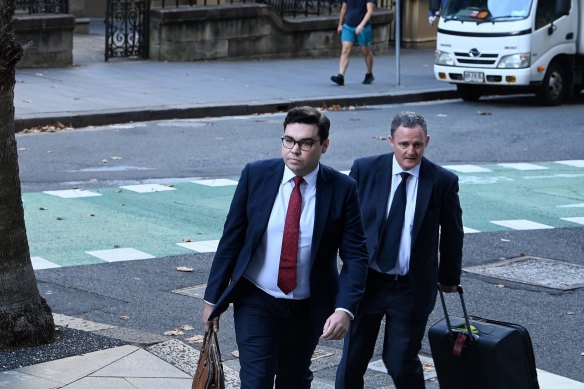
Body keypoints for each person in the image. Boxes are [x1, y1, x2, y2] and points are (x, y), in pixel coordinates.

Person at [202, 106, 369, 389]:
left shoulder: (342, 189)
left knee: (294, 379)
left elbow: (355, 255)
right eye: (288, 140)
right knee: (256, 381)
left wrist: (344, 309)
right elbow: (232, 239)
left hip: (308, 306)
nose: (295, 150)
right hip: (257, 298)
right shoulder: (256, 175)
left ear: (324, 145)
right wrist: (211, 300)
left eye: (305, 143)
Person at [336, 111, 464, 389]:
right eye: (404, 144)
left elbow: (453, 232)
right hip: (367, 282)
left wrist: (449, 277)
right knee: (352, 361)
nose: (411, 151)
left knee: (400, 361)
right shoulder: (365, 170)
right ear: (391, 140)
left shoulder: (442, 181)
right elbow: (345, 221)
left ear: (426, 142)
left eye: (417, 144)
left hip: (410, 287)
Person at [330, 0, 376, 86]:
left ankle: (369, 74)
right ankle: (341, 76)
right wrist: (340, 24)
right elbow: (344, 8)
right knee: (345, 50)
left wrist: (361, 25)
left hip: (364, 27)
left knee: (365, 51)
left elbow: (370, 11)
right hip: (348, 26)